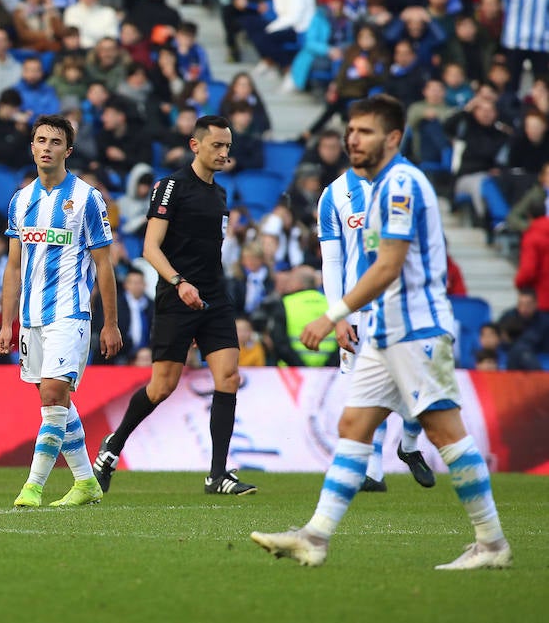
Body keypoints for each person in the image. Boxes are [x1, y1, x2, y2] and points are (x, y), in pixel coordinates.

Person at [252, 96, 511, 570]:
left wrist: (333, 314)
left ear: (393, 138)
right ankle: (315, 536)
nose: (353, 139)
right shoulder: (361, 189)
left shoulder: (401, 186)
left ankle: (492, 542)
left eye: (365, 131)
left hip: (414, 327)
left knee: (445, 432)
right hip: (384, 332)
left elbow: (389, 265)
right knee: (354, 426)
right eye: (351, 130)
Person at [92, 115, 258, 496]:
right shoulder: (170, 187)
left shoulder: (220, 194)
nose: (223, 153)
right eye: (217, 145)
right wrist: (180, 283)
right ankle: (111, 449)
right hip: (176, 294)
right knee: (162, 386)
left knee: (228, 377)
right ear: (195, 145)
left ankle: (217, 474)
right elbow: (150, 248)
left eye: (227, 147)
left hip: (214, 297)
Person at [0, 114, 121, 508]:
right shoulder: (21, 200)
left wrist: (110, 323)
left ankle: (32, 487)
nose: (46, 147)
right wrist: (6, 323)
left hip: (70, 312)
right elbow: (13, 266)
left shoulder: (86, 198)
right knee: (55, 402)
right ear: (31, 147)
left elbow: (104, 264)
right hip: (31, 318)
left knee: (52, 393)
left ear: (68, 150)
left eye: (55, 142)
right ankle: (86, 481)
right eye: (40, 140)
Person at [317, 164, 435, 492]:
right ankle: (373, 473)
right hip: (358, 313)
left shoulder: (403, 185)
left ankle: (409, 445)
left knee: (421, 386)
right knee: (367, 392)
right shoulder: (335, 194)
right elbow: (333, 261)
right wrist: (338, 315)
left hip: (402, 307)